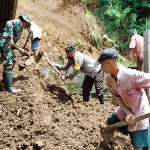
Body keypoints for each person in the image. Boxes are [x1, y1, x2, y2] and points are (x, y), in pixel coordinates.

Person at [96, 48, 150, 150]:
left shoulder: (131, 75)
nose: (101, 67)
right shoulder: (109, 80)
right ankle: (115, 140)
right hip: (126, 108)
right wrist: (127, 112)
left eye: (102, 64)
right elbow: (118, 98)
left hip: (140, 111)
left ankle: (140, 137)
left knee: (139, 146)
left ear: (110, 63)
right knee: (111, 120)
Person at [0, 13, 32, 93]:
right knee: (9, 63)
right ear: (25, 21)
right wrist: (10, 38)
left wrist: (20, 49)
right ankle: (9, 87)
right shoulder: (19, 22)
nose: (26, 26)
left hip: (7, 45)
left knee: (14, 58)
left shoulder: (20, 27)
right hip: (4, 44)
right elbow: (8, 23)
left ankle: (8, 76)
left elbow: (13, 43)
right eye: (27, 24)